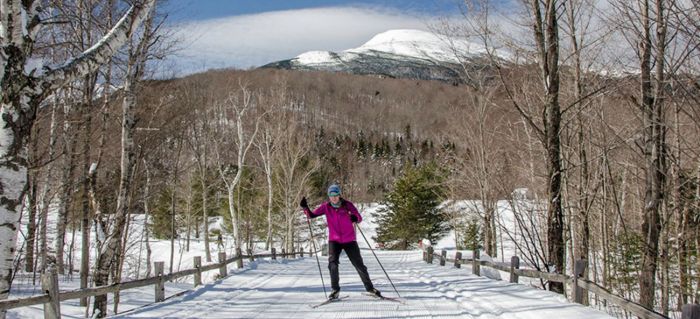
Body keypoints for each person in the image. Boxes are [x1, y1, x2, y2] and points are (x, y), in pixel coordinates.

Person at [300, 184, 382, 300]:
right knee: (332, 264)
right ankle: (335, 290)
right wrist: (305, 208)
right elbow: (311, 215)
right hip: (334, 240)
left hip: (349, 240)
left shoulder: (347, 205)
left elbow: (358, 217)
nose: (333, 198)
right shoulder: (326, 207)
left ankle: (370, 288)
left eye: (335, 195)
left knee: (359, 265)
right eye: (331, 195)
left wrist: (355, 218)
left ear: (339, 195)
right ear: (329, 196)